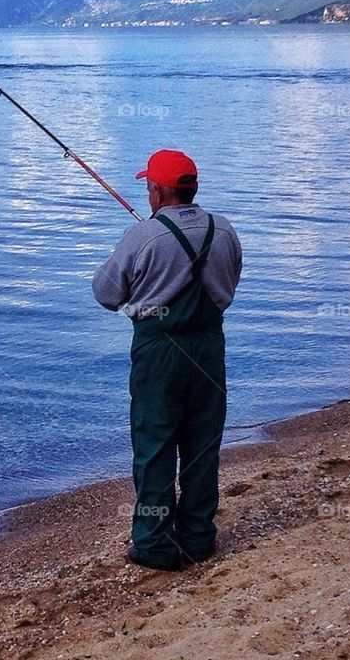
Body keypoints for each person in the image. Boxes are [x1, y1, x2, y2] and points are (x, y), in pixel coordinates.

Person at [92, 149, 242, 571]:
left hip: (159, 352)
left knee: (155, 446)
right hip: (209, 349)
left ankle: (155, 544)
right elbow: (231, 281)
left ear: (156, 190)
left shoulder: (142, 237)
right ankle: (197, 537)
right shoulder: (224, 229)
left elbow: (105, 294)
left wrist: (150, 257)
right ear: (191, 188)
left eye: (148, 185)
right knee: (202, 446)